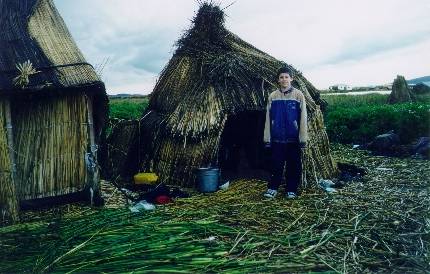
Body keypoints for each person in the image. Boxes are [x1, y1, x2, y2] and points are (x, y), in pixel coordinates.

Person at [263, 66, 308, 199]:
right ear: (278, 80)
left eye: (286, 77)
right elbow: (268, 118)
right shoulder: (273, 96)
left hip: (293, 138)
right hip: (277, 138)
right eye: (281, 77)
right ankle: (273, 188)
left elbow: (303, 118)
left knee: (293, 165)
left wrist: (302, 138)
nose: (284, 79)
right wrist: (267, 138)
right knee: (276, 164)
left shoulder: (298, 95)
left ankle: (291, 189)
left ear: (291, 78)